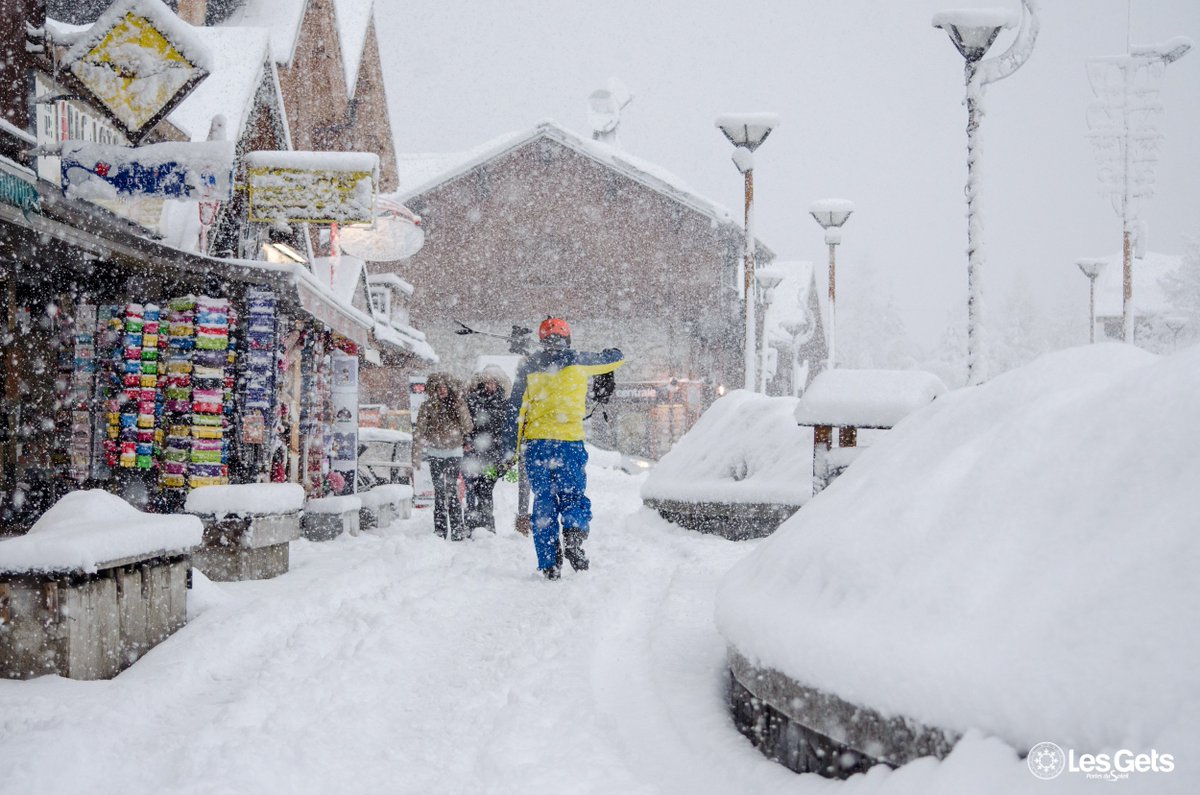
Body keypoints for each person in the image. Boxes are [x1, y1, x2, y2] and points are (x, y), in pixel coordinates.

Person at [509, 317, 624, 580]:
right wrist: (610, 352)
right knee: (573, 495)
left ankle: (549, 563)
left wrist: (514, 450)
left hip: (538, 445)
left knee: (544, 502)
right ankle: (573, 535)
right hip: (570, 443)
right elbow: (617, 358)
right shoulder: (581, 361)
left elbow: (517, 411)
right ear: (567, 338)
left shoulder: (528, 367)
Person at [412, 372, 473, 540]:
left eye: (445, 387)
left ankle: (457, 529)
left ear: (450, 388)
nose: (442, 390)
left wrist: (460, 407)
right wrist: (416, 456)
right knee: (439, 491)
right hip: (435, 452)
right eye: (439, 388)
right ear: (434, 389)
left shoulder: (458, 404)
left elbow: (468, 426)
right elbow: (419, 430)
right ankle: (439, 530)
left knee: (452, 490)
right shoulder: (428, 406)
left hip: (454, 452)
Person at [462, 365, 515, 534]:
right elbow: (465, 424)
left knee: (486, 488)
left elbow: (509, 429)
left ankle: (487, 524)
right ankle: (471, 525)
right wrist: (468, 440)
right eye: (487, 382)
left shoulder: (505, 403)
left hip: (493, 455)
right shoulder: (472, 400)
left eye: (493, 382)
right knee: (471, 488)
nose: (490, 385)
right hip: (473, 454)